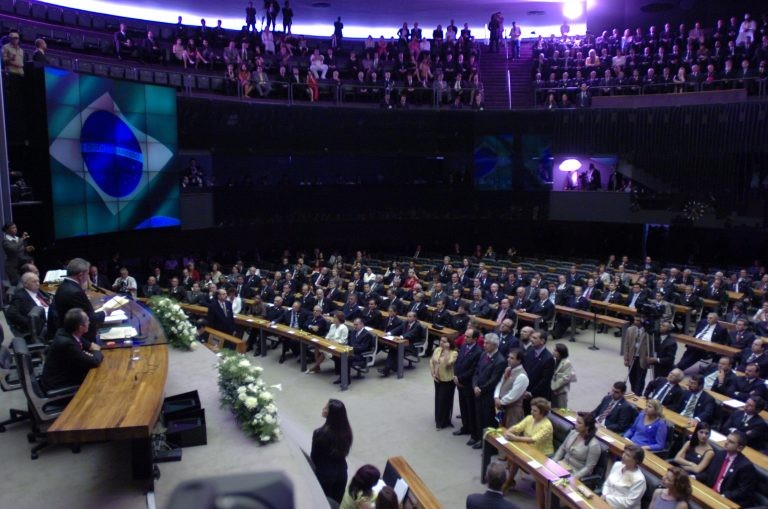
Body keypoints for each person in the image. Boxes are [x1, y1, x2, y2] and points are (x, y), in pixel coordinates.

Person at [53, 258, 118, 342]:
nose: (88, 277)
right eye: (87, 274)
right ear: (80, 275)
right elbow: (87, 320)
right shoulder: (76, 292)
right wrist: (105, 312)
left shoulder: (63, 286)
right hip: (81, 340)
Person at [501, 398, 554, 499]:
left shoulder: (547, 426)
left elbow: (533, 439)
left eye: (535, 411)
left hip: (542, 454)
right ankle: (509, 481)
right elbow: (518, 427)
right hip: (528, 449)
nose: (531, 412)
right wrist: (509, 431)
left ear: (542, 412)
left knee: (515, 457)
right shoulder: (530, 418)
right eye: (531, 410)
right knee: (513, 456)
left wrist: (515, 438)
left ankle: (509, 481)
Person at [41, 308, 104, 390]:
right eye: (87, 321)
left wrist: (89, 353)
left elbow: (88, 345)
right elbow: (94, 361)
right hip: (58, 383)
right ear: (81, 328)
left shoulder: (66, 331)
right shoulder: (67, 344)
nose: (89, 323)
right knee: (100, 379)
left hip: (64, 373)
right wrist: (96, 351)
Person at [311, 399, 353, 504]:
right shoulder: (347, 432)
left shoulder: (319, 434)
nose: (323, 409)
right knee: (336, 503)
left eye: (325, 408)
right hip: (341, 473)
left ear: (331, 414)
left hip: (325, 475)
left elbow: (314, 457)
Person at [701, 431, 756, 507]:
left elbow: (743, 491)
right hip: (711, 493)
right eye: (727, 439)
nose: (726, 443)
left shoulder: (745, 466)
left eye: (731, 442)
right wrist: (695, 477)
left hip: (727, 500)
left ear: (739, 448)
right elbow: (709, 474)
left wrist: (725, 496)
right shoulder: (720, 454)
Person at [471, 333, 506, 449]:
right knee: (478, 416)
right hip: (478, 391)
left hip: (487, 394)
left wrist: (481, 388)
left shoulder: (500, 360)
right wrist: (475, 385)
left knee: (487, 419)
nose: (484, 345)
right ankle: (477, 437)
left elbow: (494, 380)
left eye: (487, 343)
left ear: (494, 345)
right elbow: (476, 371)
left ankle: (486, 442)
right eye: (484, 342)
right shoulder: (483, 355)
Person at [453, 328, 482, 442]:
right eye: (465, 335)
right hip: (459, 382)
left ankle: (473, 434)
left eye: (468, 337)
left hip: (468, 384)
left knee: (471, 410)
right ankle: (465, 427)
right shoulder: (464, 346)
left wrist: (460, 378)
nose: (465, 338)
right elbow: (459, 361)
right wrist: (455, 375)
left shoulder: (478, 352)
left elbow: (473, 370)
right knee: (463, 407)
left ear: (475, 339)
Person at [553, 412, 601, 480]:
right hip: (561, 466)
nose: (576, 424)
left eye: (579, 423)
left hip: (574, 473)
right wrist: (554, 462)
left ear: (587, 427)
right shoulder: (573, 433)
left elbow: (588, 468)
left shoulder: (594, 445)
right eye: (576, 421)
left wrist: (574, 478)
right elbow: (562, 448)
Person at [6, 271, 55, 338]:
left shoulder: (40, 291)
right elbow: (11, 313)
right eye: (34, 282)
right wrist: (30, 323)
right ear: (25, 284)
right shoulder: (20, 296)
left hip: (51, 318)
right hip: (41, 326)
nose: (37, 284)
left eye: (38, 281)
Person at [601, 444, 647, 509]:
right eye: (624, 453)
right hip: (605, 502)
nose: (623, 456)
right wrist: (604, 495)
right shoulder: (617, 465)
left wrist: (606, 498)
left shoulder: (639, 480)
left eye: (628, 455)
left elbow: (628, 503)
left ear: (636, 460)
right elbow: (607, 484)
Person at [493, 349, 528, 427]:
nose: (508, 359)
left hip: (513, 411)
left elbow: (513, 396)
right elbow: (500, 383)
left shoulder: (522, 376)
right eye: (508, 357)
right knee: (500, 430)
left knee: (510, 434)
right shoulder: (508, 370)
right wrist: (496, 397)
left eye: (512, 358)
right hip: (501, 408)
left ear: (519, 361)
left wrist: (500, 402)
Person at [430, 336, 458, 430]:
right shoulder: (437, 349)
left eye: (444, 341)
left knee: (444, 400)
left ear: (449, 343)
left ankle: (443, 422)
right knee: (438, 399)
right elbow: (432, 361)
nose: (441, 343)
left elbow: (447, 364)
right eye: (441, 340)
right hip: (437, 378)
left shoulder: (454, 353)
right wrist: (433, 373)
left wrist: (446, 351)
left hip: (447, 380)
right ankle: (438, 419)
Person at [624, 315, 651, 395]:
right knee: (632, 377)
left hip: (642, 358)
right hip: (632, 357)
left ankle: (638, 394)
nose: (636, 322)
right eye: (635, 320)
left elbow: (652, 346)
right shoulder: (630, 329)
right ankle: (633, 392)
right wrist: (626, 358)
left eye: (638, 320)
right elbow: (626, 344)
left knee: (640, 378)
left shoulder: (648, 331)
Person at [550, 343, 573, 409]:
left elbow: (565, 378)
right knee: (553, 408)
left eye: (556, 351)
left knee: (562, 409)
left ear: (561, 352)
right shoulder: (553, 360)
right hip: (552, 389)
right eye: (554, 350)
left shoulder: (567, 363)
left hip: (561, 390)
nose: (553, 352)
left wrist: (553, 387)